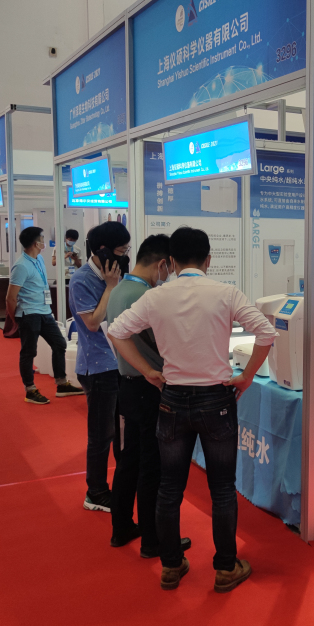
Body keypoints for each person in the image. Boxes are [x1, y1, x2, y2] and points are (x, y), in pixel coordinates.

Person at [108, 226, 276, 593]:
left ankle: (171, 565)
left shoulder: (157, 296)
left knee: (169, 487)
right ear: (208, 260)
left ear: (170, 262)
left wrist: (148, 371)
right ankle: (225, 568)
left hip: (171, 399)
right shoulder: (226, 293)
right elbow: (267, 333)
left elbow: (116, 331)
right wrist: (246, 377)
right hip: (217, 400)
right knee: (222, 488)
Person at [106, 234, 189, 559]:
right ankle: (154, 540)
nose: (168, 276)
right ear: (162, 264)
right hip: (150, 387)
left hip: (126, 385)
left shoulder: (118, 290)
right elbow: (164, 343)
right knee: (152, 465)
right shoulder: (146, 297)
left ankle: (121, 527)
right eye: (170, 269)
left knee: (129, 460)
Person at [69, 220, 131, 513]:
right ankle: (95, 492)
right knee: (101, 435)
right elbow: (93, 323)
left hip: (119, 363)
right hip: (97, 367)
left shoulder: (118, 273)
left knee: (120, 432)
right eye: (121, 251)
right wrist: (110, 287)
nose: (124, 256)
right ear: (104, 250)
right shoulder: (82, 280)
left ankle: (121, 484)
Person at [6, 226, 84, 405]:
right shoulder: (21, 266)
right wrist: (16, 319)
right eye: (42, 238)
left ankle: (61, 384)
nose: (44, 241)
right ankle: (30, 389)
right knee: (29, 352)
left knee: (59, 344)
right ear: (36, 243)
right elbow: (10, 298)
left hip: (45, 312)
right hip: (29, 314)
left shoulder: (39, 259)